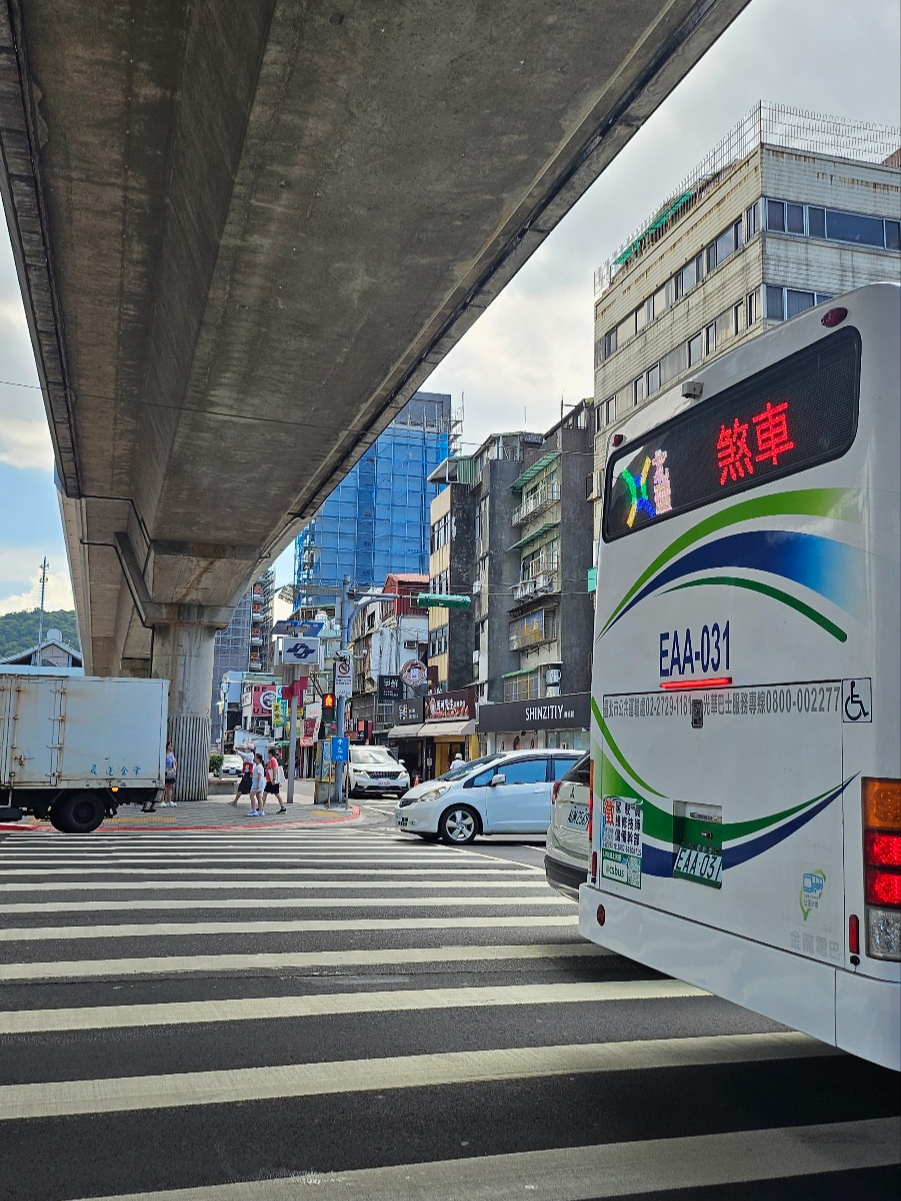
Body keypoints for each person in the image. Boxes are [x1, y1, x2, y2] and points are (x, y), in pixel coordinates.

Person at [263, 747, 285, 814]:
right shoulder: (271, 760)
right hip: (269, 781)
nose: (267, 755)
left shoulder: (273, 760)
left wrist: (274, 779)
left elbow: (275, 769)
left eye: (268, 753)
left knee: (277, 794)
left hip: (272, 781)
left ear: (270, 754)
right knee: (265, 793)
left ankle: (283, 807)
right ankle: (261, 807)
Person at [247, 752, 265, 816]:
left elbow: (259, 776)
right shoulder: (258, 766)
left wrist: (258, 784)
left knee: (251, 795)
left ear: (258, 759)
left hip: (257, 782)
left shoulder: (259, 766)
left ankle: (254, 810)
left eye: (255, 757)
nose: (254, 758)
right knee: (259, 796)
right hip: (259, 782)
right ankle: (261, 810)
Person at [161, 742, 178, 807]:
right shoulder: (164, 754)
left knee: (170, 787)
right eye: (170, 745)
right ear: (167, 746)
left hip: (171, 772)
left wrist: (175, 768)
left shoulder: (172, 754)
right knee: (164, 787)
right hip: (165, 771)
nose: (171, 747)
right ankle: (162, 801)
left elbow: (175, 762)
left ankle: (169, 801)